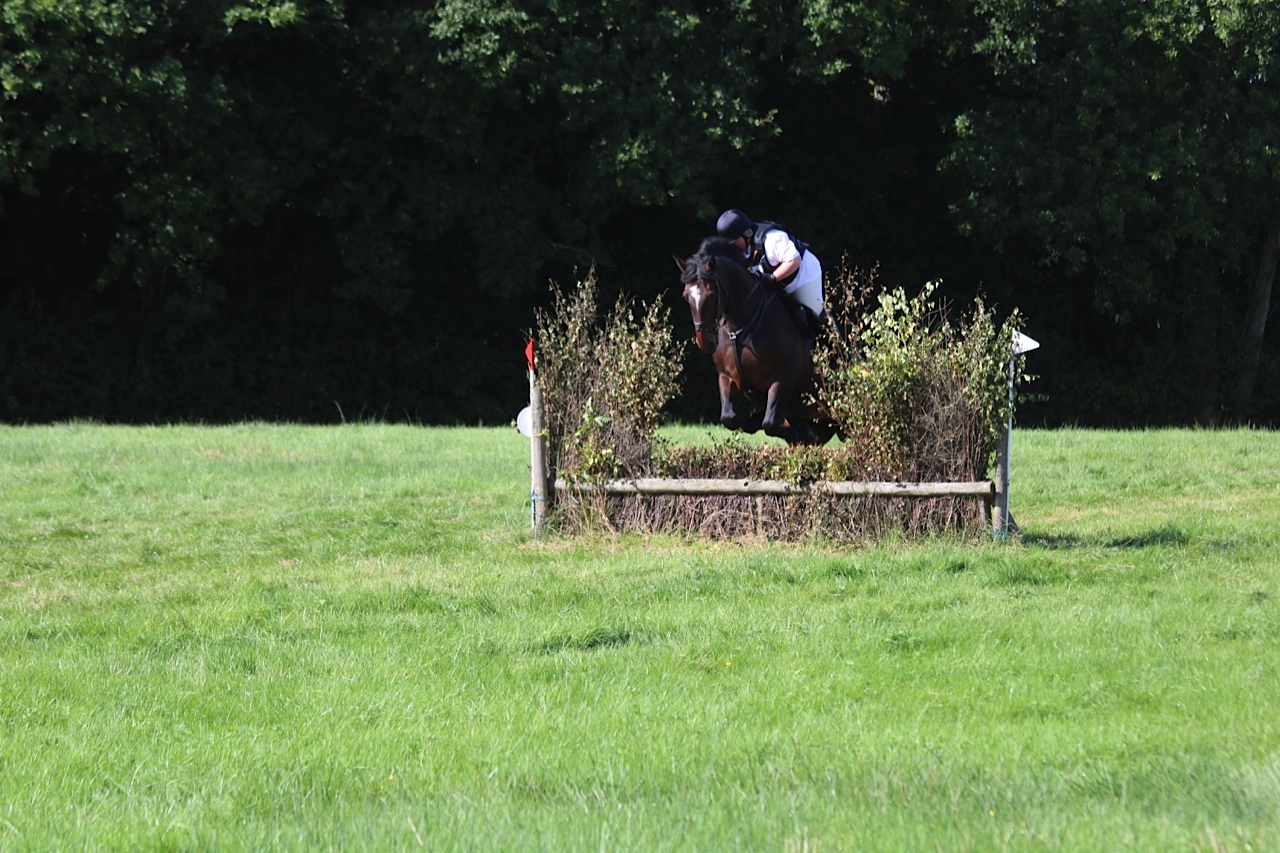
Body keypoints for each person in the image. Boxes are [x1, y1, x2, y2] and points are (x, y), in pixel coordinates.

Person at [715, 209, 830, 338]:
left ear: (745, 234)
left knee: (814, 313)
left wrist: (771, 278)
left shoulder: (772, 239)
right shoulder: (739, 247)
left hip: (803, 276)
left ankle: (837, 343)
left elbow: (794, 261)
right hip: (775, 283)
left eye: (733, 242)